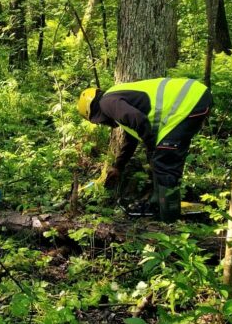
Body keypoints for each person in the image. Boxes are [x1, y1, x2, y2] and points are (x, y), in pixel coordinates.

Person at [77, 77, 212, 221]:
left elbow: (138, 120)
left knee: (163, 161)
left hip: (189, 100)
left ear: (94, 114)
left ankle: (170, 221)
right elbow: (131, 139)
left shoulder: (107, 103)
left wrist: (151, 148)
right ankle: (159, 206)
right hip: (194, 99)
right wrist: (118, 167)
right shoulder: (115, 99)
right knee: (164, 159)